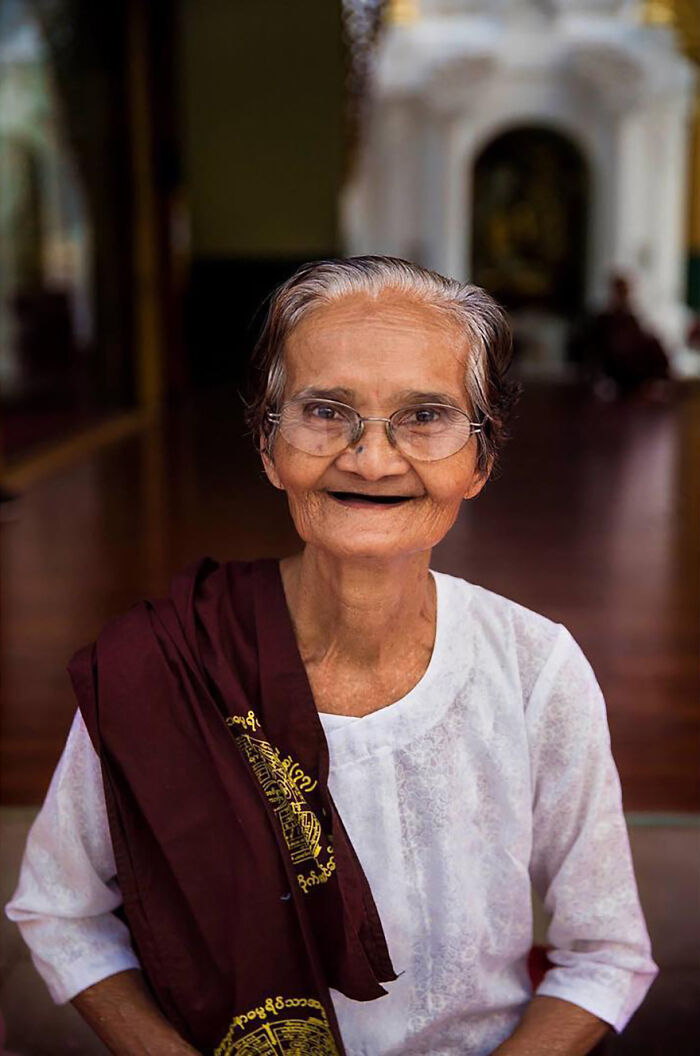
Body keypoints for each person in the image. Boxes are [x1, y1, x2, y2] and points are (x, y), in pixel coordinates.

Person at [6, 256, 657, 1055]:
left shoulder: (533, 670)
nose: (372, 460)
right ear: (268, 445)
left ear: (480, 462)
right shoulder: (162, 666)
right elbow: (62, 912)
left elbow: (605, 956)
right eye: (324, 411)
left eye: (425, 416)